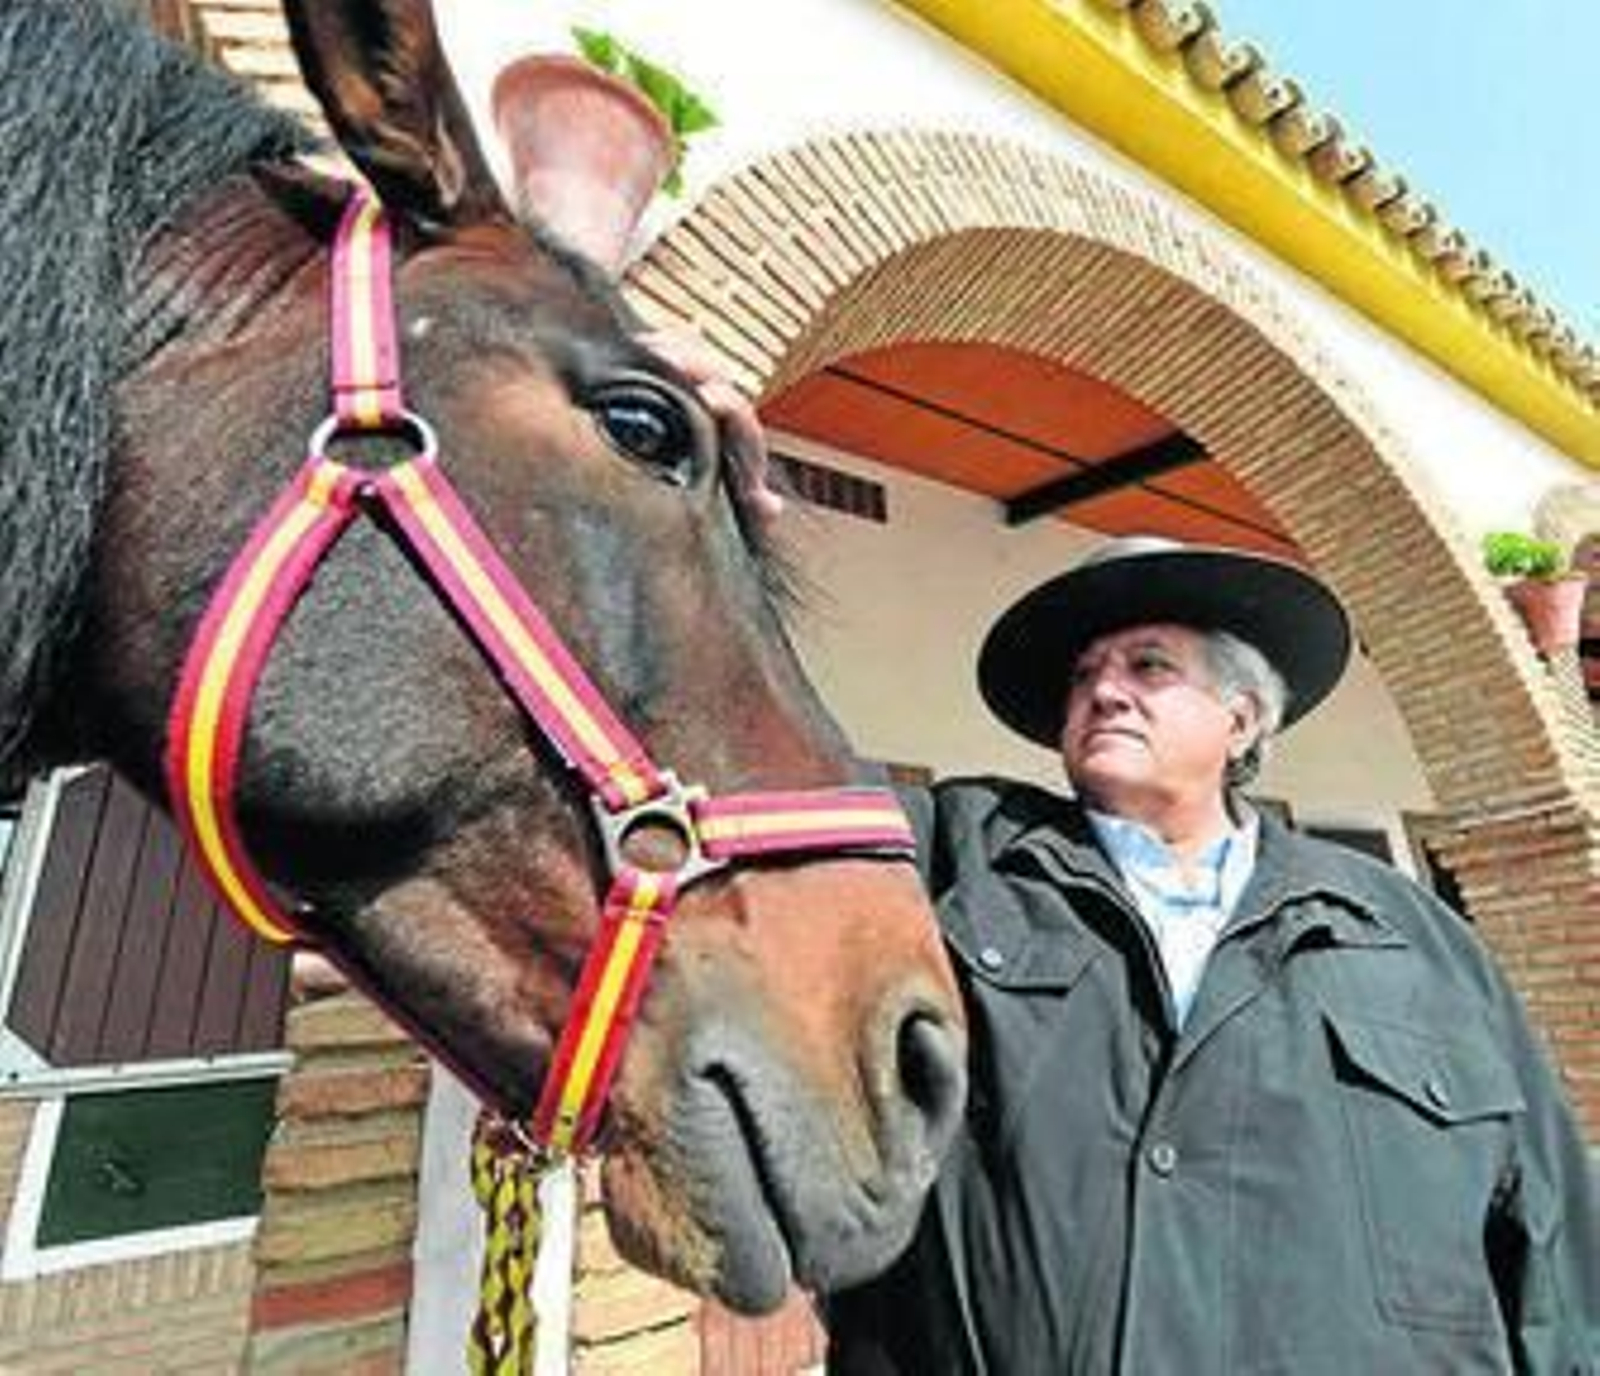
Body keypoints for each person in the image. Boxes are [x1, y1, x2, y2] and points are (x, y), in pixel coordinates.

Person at [818, 536, 1600, 1374]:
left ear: (1243, 717)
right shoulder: (957, 861)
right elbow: (751, 790)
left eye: (1148, 666)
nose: (1104, 691)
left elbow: (1553, 1236)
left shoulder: (1410, 932)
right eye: (1084, 677)